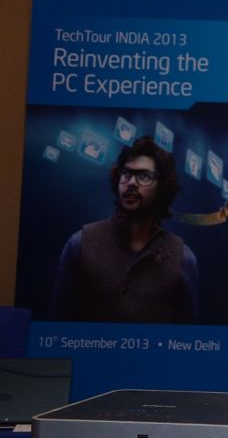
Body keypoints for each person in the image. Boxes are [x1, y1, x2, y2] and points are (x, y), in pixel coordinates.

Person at [51, 136, 199, 323]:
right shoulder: (80, 244)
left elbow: (186, 336)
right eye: (126, 173)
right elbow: (56, 327)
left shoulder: (182, 259)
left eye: (144, 176)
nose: (131, 182)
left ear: (162, 187)